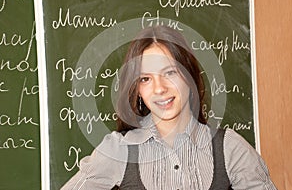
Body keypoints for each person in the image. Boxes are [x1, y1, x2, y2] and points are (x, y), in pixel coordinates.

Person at [61, 25, 277, 190]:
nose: (159, 88)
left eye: (170, 73)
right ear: (137, 89)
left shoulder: (230, 148)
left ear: (189, 77)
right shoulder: (118, 150)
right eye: (145, 78)